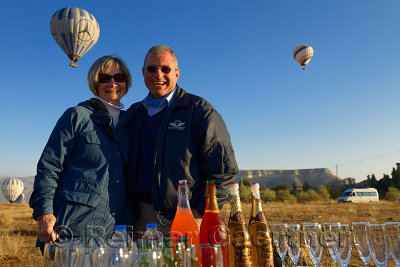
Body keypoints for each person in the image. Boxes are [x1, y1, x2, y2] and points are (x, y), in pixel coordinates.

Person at [126, 45, 239, 236]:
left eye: (165, 69)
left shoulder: (199, 111)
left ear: (177, 73)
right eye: (152, 69)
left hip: (184, 216)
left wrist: (201, 212)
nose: (158, 75)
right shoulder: (133, 114)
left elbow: (223, 170)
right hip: (139, 218)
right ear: (143, 72)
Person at [29, 55, 134, 251]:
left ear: (127, 82)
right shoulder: (76, 116)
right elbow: (49, 166)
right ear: (95, 82)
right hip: (74, 231)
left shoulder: (131, 124)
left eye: (119, 77)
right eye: (105, 78)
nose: (113, 83)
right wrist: (44, 213)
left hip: (117, 233)